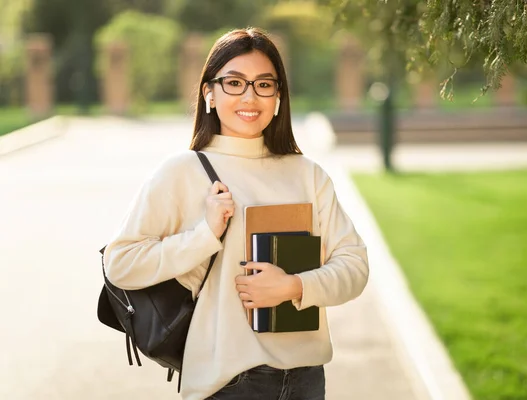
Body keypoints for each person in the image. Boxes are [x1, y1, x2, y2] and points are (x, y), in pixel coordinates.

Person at [103, 27, 369, 400]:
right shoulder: (184, 171)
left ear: (278, 97)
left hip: (307, 381)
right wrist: (204, 235)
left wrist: (293, 286)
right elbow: (121, 263)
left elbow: (354, 266)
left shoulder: (307, 174)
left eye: (264, 84)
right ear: (209, 93)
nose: (250, 96)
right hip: (229, 383)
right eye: (234, 83)